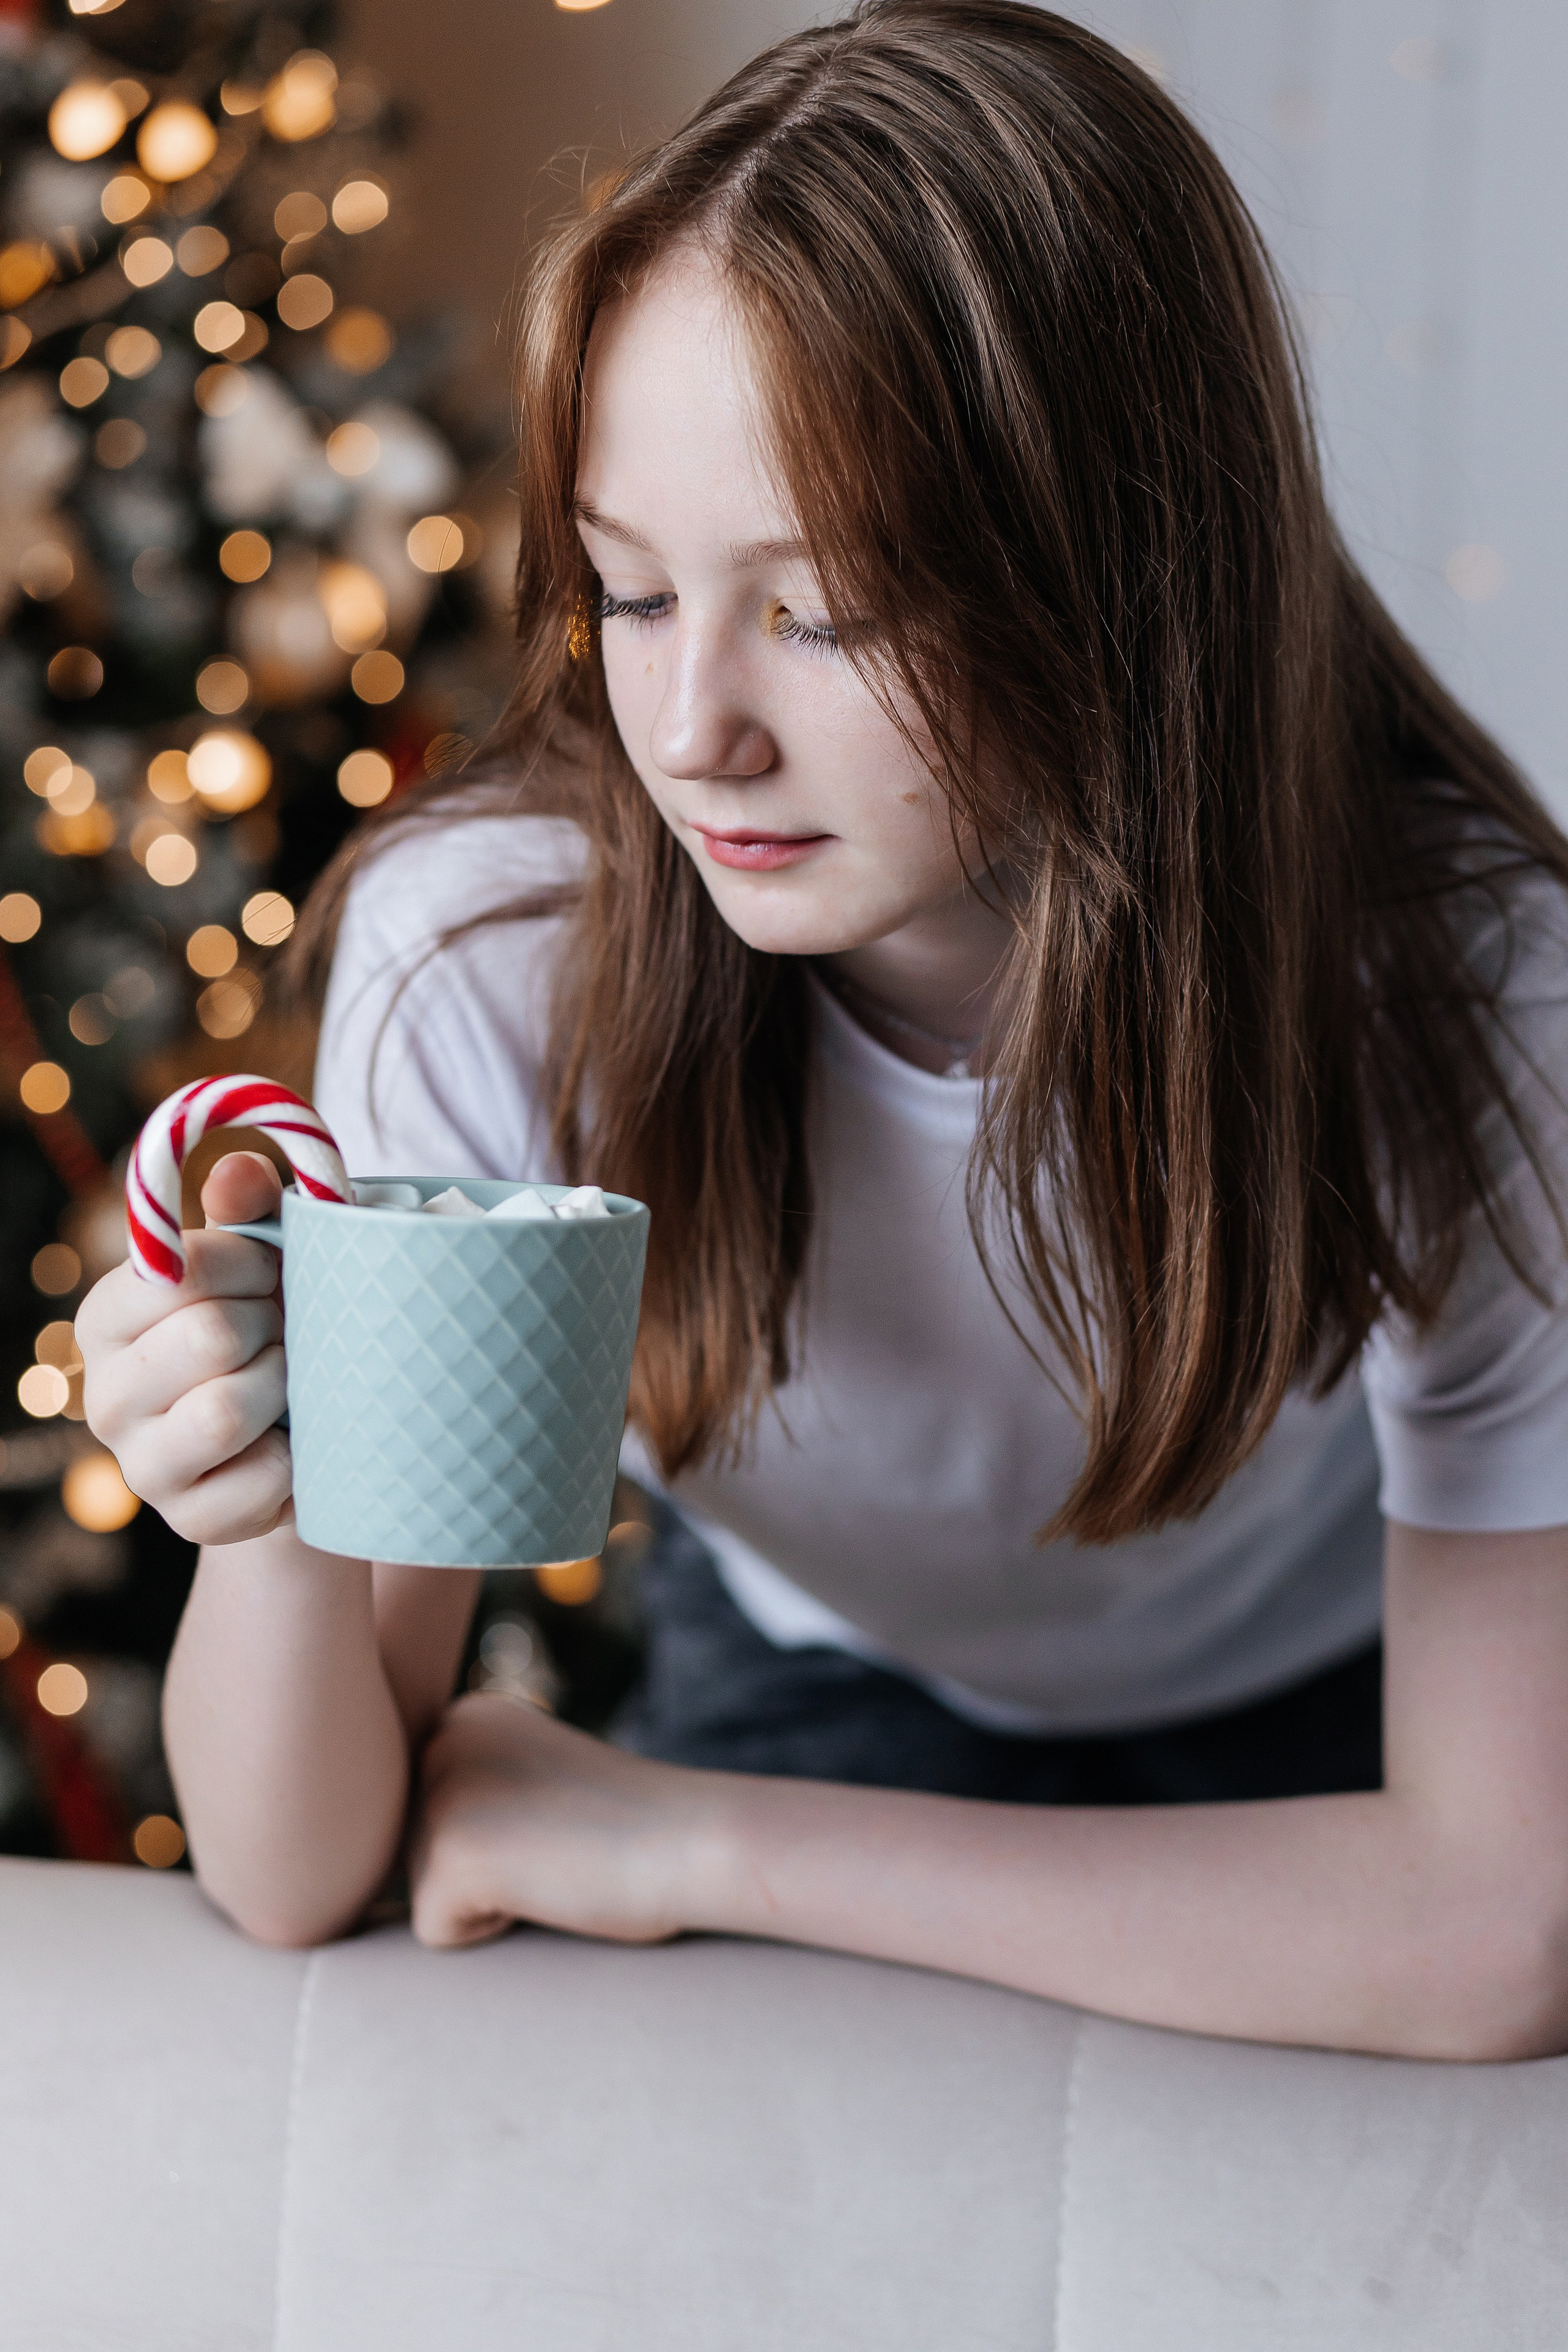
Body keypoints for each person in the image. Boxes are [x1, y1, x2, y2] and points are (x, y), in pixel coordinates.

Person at [77, 0, 1568, 2059]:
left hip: (1327, 1726)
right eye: (632, 591)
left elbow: (1498, 1933)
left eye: (828, 610)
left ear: (1120, 580)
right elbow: (303, 1869)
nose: (694, 739)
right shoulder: (497, 960)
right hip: (810, 1686)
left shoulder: (1474, 1005)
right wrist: (260, 1533)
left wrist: (700, 1844)